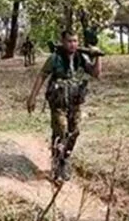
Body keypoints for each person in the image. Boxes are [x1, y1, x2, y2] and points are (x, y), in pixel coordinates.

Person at [26, 30, 102, 183]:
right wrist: (32, 97)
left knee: (74, 132)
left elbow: (96, 74)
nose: (72, 44)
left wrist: (98, 56)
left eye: (75, 41)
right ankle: (58, 165)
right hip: (58, 103)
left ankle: (64, 159)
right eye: (69, 41)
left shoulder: (81, 57)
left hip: (74, 103)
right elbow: (42, 76)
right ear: (63, 42)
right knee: (61, 130)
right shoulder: (55, 58)